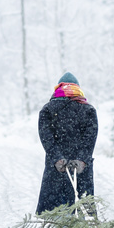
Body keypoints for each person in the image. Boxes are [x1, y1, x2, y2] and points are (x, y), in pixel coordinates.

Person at [35, 72, 98, 214]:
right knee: (82, 208)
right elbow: (90, 138)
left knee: (57, 212)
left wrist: (57, 158)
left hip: (56, 169)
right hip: (81, 169)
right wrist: (81, 159)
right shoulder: (88, 110)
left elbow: (46, 137)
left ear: (58, 88)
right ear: (78, 88)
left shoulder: (47, 110)